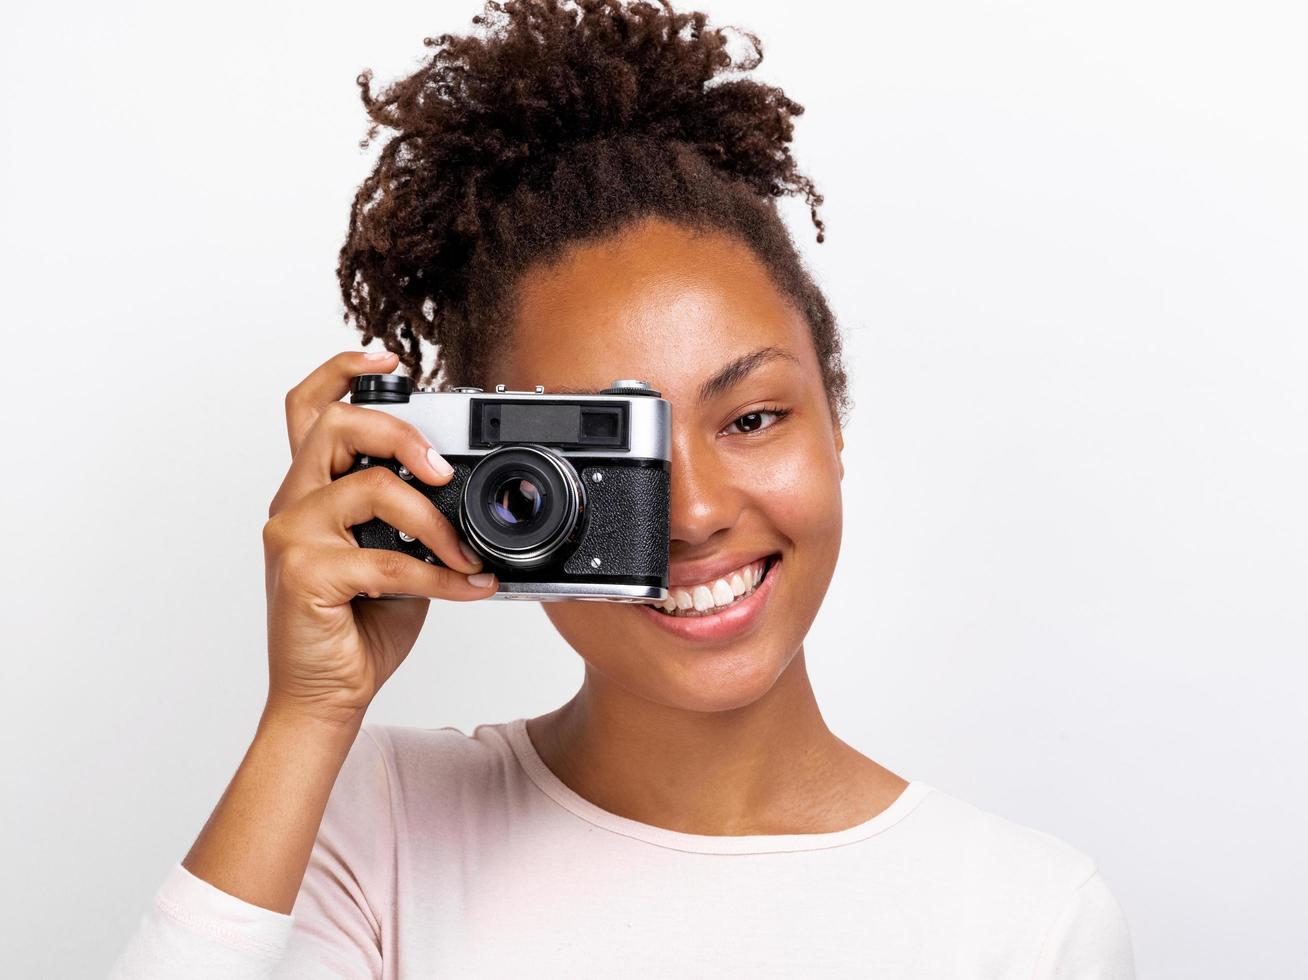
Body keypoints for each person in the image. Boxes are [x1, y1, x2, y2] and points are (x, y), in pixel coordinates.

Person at [109, 1, 1135, 976]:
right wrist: (308, 712)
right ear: (481, 483)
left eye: (749, 418)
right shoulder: (374, 821)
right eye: (609, 455)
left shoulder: (1021, 918)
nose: (689, 514)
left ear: (834, 421)